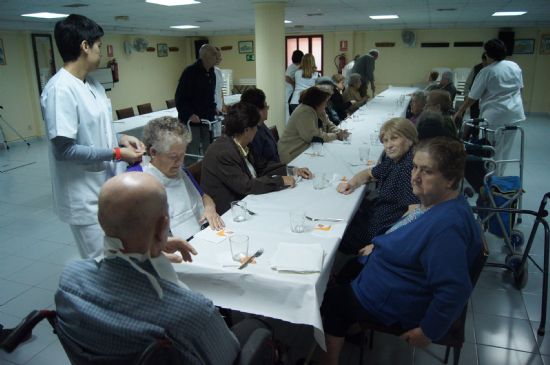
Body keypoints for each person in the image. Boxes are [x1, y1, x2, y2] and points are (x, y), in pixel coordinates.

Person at [321, 137, 483, 365]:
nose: (415, 176)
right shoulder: (440, 204)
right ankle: (355, 328)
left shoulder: (447, 229)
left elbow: (454, 289)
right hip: (394, 279)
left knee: (333, 301)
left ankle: (330, 359)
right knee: (347, 269)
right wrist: (378, 245)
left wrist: (427, 331)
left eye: (426, 171)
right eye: (415, 166)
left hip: (396, 300)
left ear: (451, 180)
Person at [55, 172, 242, 364]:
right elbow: (229, 356)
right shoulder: (191, 312)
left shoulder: (70, 279)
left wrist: (156, 243)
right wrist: (155, 241)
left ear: (100, 221)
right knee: (254, 329)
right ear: (164, 225)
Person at [40, 14, 144, 259]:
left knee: (117, 256)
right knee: (101, 262)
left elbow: (96, 128)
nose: (101, 52)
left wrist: (120, 139)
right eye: (98, 46)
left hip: (105, 189)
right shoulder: (60, 89)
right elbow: (64, 150)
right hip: (83, 197)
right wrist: (118, 153)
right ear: (84, 46)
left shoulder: (93, 84)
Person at [201, 102, 312, 214]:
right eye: (255, 127)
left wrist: (291, 170)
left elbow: (262, 167)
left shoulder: (243, 143)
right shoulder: (223, 152)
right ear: (246, 130)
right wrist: (280, 180)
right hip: (230, 211)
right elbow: (246, 186)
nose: (257, 130)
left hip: (248, 200)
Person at [336, 118, 419, 254]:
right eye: (385, 141)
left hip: (380, 230)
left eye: (394, 139)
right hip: (375, 217)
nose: (388, 145)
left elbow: (413, 214)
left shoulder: (408, 168)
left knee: (338, 234)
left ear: (409, 139)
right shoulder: (395, 160)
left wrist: (381, 243)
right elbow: (369, 174)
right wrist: (351, 183)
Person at [141, 116, 224, 239]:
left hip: (202, 234)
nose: (180, 162)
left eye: (183, 155)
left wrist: (210, 207)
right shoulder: (141, 182)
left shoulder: (182, 171)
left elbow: (204, 196)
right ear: (153, 152)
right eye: (173, 157)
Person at [455, 38, 525, 174]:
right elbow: (520, 89)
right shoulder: (514, 66)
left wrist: (459, 111)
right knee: (504, 149)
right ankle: (497, 175)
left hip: (495, 116)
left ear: (488, 54)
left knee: (492, 147)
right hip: (515, 114)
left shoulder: (487, 71)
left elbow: (472, 97)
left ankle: (491, 177)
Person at [278, 87, 349, 164]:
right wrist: (336, 136)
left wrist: (339, 131)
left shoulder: (318, 109)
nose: (326, 105)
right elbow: (314, 137)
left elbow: (329, 124)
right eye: (325, 102)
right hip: (292, 153)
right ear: (317, 102)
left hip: (307, 149)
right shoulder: (305, 112)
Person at [175, 44, 218, 156]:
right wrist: (189, 114)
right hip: (192, 121)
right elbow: (180, 98)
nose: (217, 56)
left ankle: (208, 171)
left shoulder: (211, 73)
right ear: (205, 56)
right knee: (192, 151)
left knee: (209, 149)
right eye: (214, 54)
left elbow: (209, 96)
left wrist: (214, 108)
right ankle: (190, 172)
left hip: (207, 119)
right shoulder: (190, 72)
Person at [241, 88, 280, 163]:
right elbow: (261, 166)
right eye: (266, 107)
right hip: (270, 172)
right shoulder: (252, 133)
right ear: (258, 110)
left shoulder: (261, 125)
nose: (267, 109)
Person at [463, 53, 488, 119]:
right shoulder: (476, 68)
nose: (485, 64)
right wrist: (466, 95)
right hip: (475, 99)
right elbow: (468, 83)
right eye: (484, 62)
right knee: (474, 117)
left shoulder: (494, 70)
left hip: (486, 100)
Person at [285, 50, 304, 115]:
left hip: (291, 92)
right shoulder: (293, 67)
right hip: (289, 92)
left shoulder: (297, 66)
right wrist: (293, 84)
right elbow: (287, 78)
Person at [214, 46, 225, 114]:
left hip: (219, 108)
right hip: (209, 110)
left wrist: (223, 105)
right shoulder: (200, 73)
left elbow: (221, 91)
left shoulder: (218, 71)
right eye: (219, 56)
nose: (221, 59)